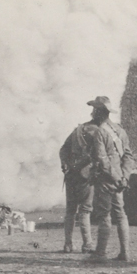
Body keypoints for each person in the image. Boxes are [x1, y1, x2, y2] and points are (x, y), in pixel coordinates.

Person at [87, 96, 135, 262]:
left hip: (106, 180)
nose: (92, 113)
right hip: (119, 181)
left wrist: (115, 178)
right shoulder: (120, 131)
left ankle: (100, 253)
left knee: (104, 216)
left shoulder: (100, 132)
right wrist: (124, 177)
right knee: (121, 215)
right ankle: (126, 252)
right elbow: (128, 156)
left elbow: (102, 159)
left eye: (94, 109)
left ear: (100, 112)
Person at [59, 103, 98, 253]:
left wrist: (66, 165)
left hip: (71, 175)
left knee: (70, 211)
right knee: (85, 210)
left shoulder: (78, 130)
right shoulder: (99, 132)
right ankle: (87, 244)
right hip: (86, 176)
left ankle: (68, 244)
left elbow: (63, 149)